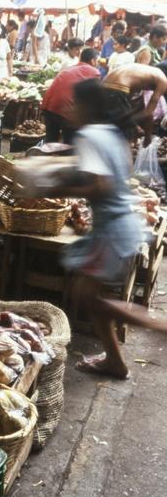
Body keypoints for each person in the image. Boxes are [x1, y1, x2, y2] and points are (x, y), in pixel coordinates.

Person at [48, 78, 167, 379]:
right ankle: (115, 360)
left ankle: (158, 325)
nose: (70, 108)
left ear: (87, 106)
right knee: (87, 295)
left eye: (74, 103)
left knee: (88, 297)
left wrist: (58, 182)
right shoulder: (112, 133)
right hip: (121, 223)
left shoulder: (89, 136)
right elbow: (119, 175)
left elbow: (100, 185)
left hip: (111, 229)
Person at [41, 46, 99, 143]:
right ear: (93, 61)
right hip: (65, 110)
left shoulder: (70, 69)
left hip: (49, 106)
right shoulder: (94, 72)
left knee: (50, 141)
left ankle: (47, 156)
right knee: (69, 143)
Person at [102, 63, 167, 145]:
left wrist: (135, 125)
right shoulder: (163, 81)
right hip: (118, 86)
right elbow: (149, 113)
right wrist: (147, 137)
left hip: (105, 84)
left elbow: (132, 104)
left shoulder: (146, 75)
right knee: (124, 131)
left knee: (111, 123)